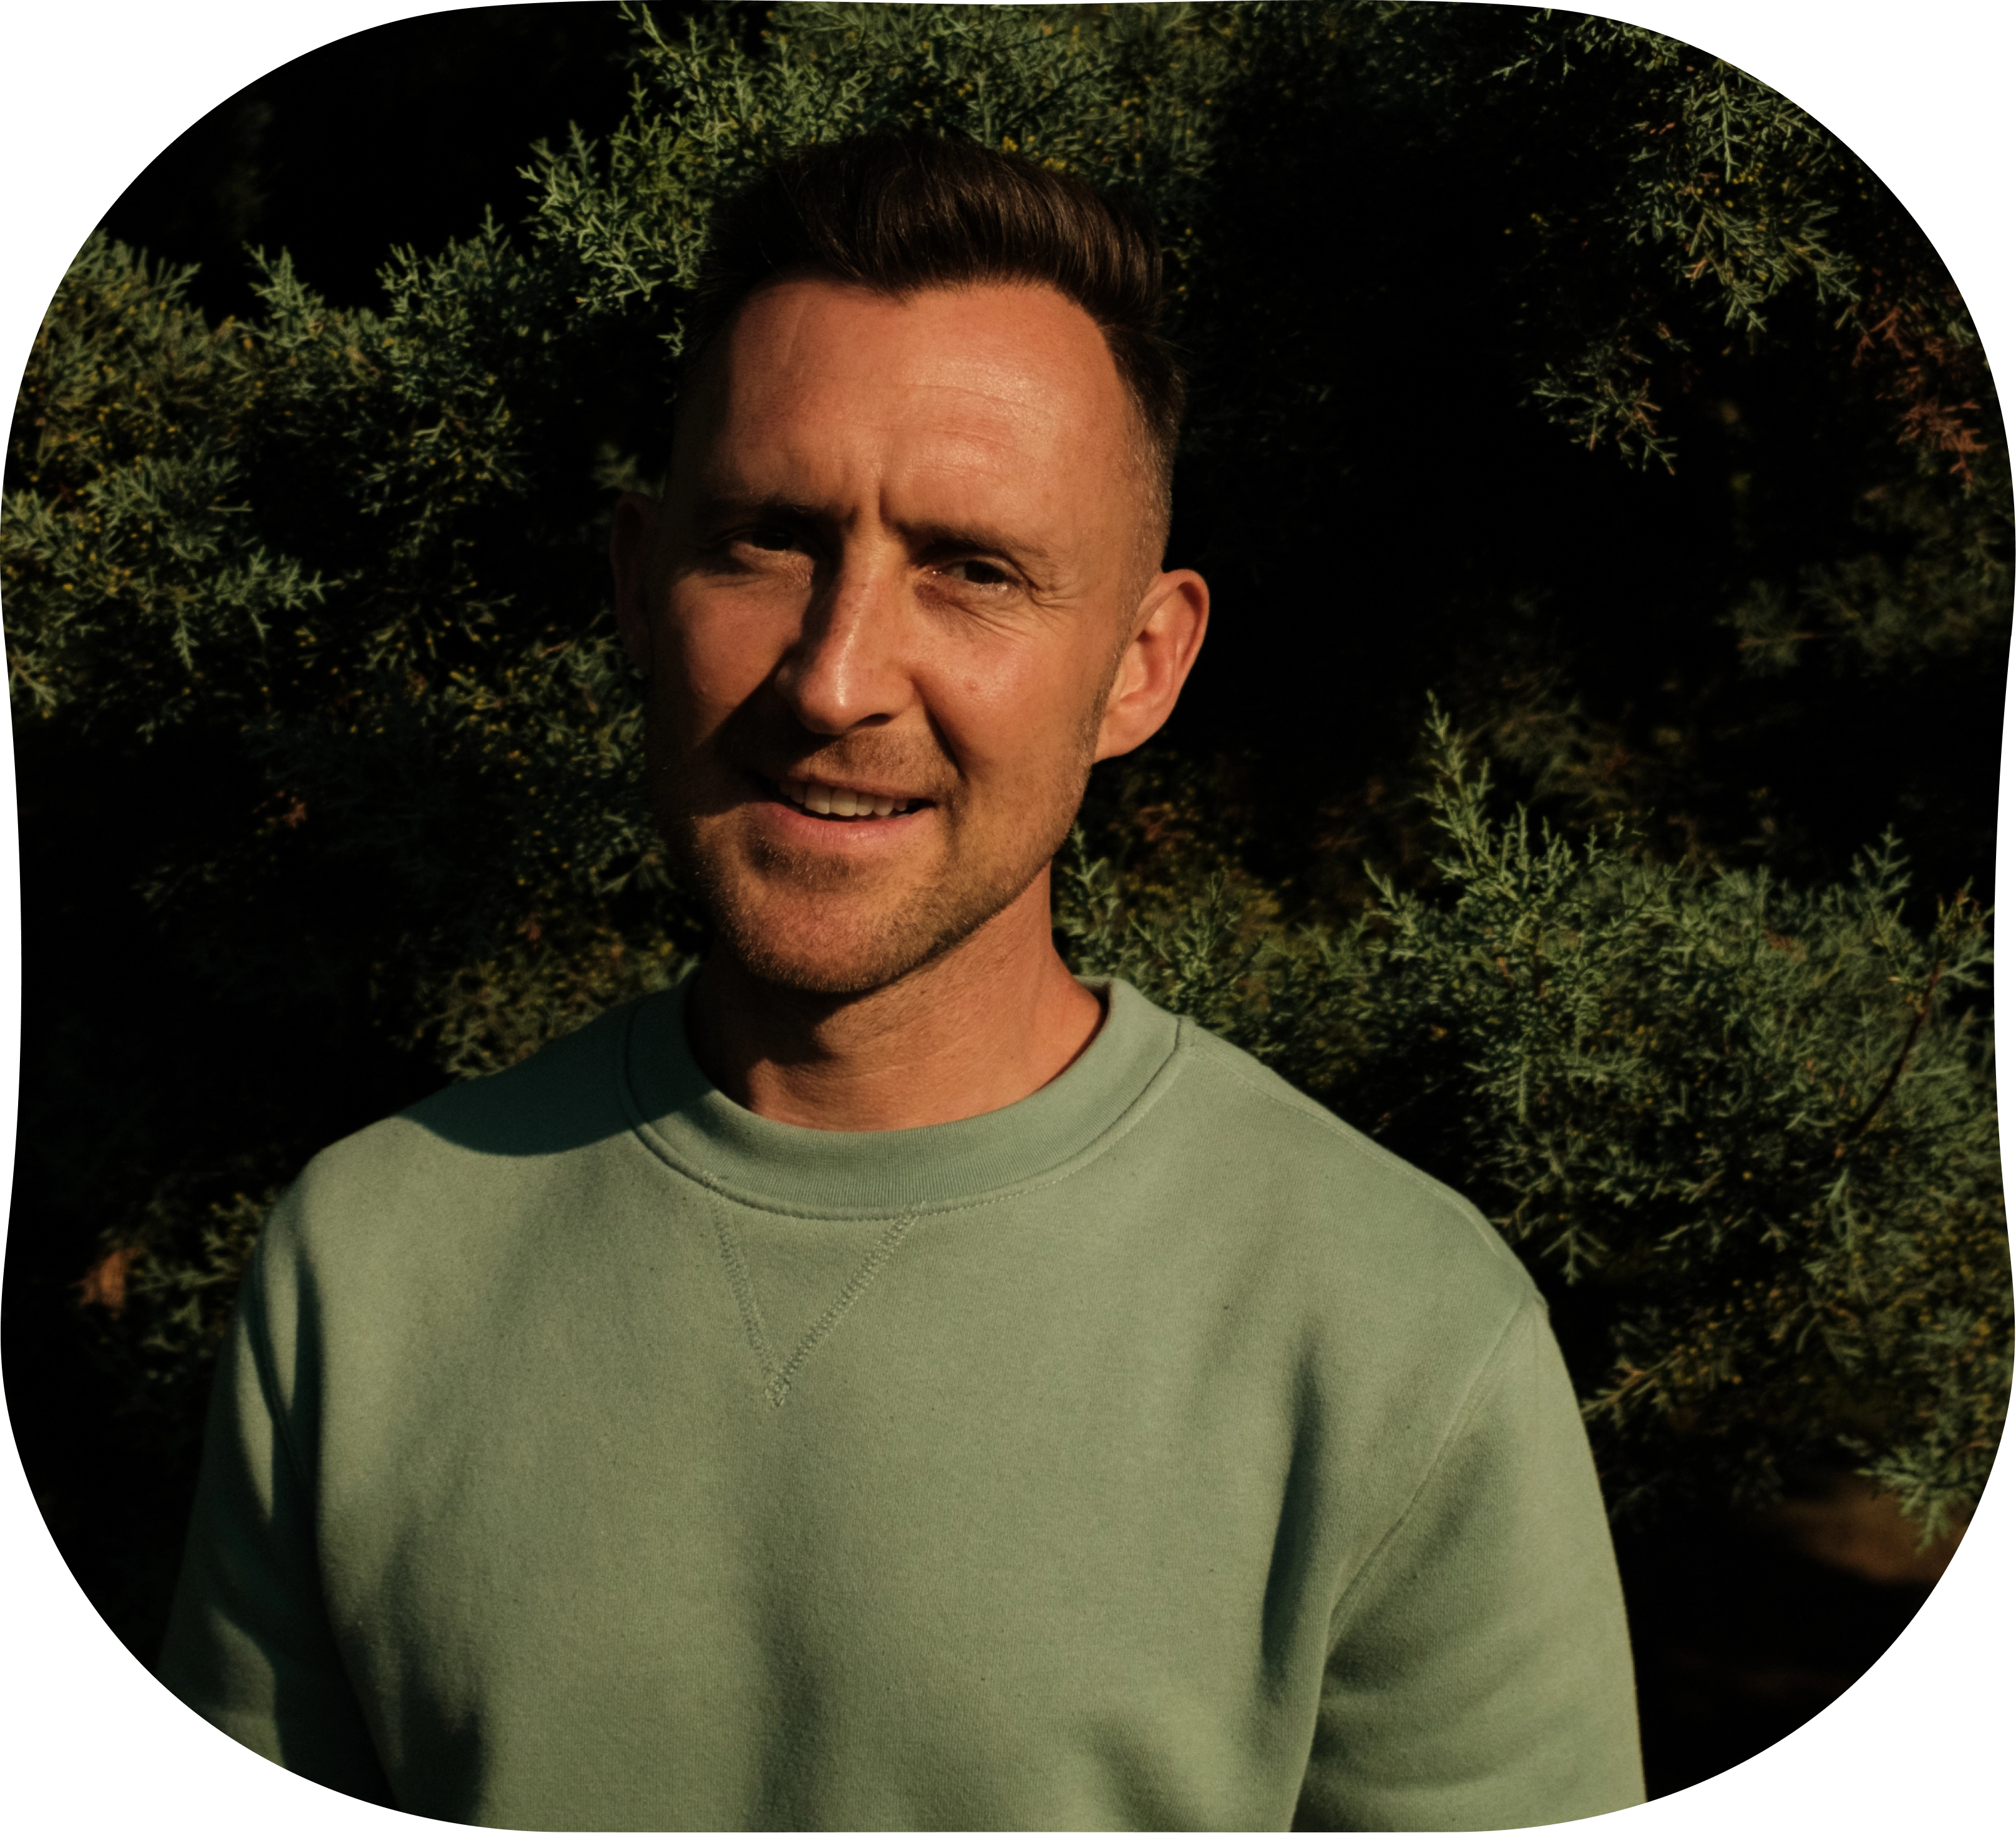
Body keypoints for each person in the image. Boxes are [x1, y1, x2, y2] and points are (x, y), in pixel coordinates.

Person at [154, 128, 1646, 1832]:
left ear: (1140, 666)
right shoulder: (368, 1270)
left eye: (974, 569)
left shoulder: (1391, 1340)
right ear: (638, 586)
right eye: (768, 542)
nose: (837, 677)